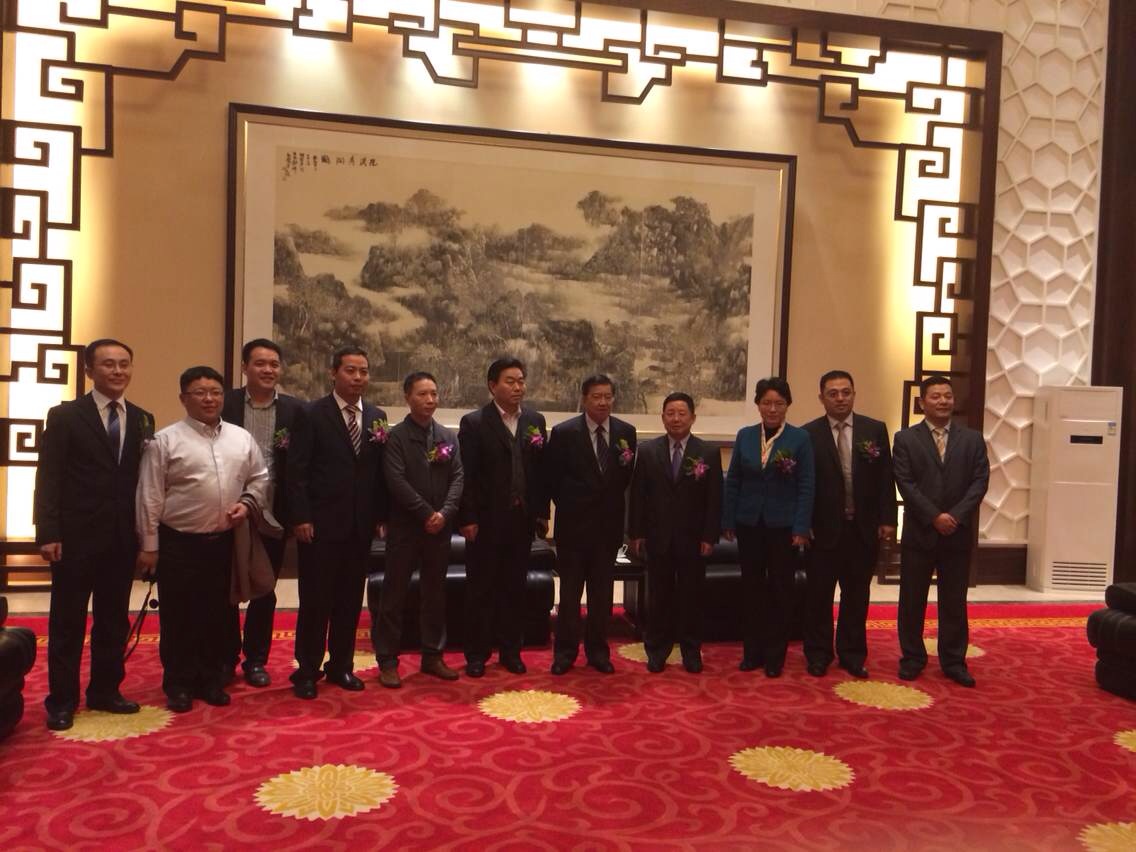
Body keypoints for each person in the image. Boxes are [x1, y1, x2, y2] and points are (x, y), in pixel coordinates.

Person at [33, 339, 154, 731]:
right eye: (108, 364)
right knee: (67, 622)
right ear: (89, 370)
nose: (118, 371)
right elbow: (49, 476)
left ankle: (105, 690)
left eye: (124, 364)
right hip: (75, 538)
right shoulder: (66, 416)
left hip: (121, 539)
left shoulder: (143, 418)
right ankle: (62, 701)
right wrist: (47, 531)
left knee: (113, 620)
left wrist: (146, 535)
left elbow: (144, 481)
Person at [136, 366, 268, 713]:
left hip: (223, 542)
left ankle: (212, 679)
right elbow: (149, 495)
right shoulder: (165, 441)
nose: (209, 399)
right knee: (179, 616)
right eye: (200, 392)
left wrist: (246, 504)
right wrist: (149, 546)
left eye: (216, 392)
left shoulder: (240, 438)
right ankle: (179, 684)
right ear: (184, 398)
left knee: (218, 615)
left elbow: (260, 477)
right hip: (179, 543)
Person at [286, 346, 388, 700]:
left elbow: (378, 473)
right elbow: (296, 471)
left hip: (360, 527)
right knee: (316, 601)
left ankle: (341, 665)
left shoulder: (376, 416)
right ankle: (307, 670)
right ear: (333, 373)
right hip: (320, 525)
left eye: (363, 371)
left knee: (349, 600)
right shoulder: (311, 413)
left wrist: (380, 516)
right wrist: (300, 516)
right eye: (350, 370)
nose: (358, 377)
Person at [893, 375, 990, 687]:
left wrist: (955, 516)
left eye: (947, 395)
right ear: (922, 402)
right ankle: (912, 658)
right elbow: (905, 482)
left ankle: (954, 661)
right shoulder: (905, 439)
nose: (943, 401)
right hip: (920, 532)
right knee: (912, 600)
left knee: (954, 601)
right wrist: (934, 516)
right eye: (935, 396)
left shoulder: (972, 439)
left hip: (956, 533)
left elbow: (980, 482)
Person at [457, 358, 549, 677]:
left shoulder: (534, 421)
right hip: (484, 521)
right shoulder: (474, 423)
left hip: (521, 519)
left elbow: (540, 471)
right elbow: (466, 476)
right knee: (481, 589)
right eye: (510, 381)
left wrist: (541, 512)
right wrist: (467, 518)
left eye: (521, 381)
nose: (518, 387)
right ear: (492, 385)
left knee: (514, 588)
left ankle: (511, 651)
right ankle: (477, 654)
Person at [801, 370, 897, 678]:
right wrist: (803, 524)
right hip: (822, 530)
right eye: (833, 393)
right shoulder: (808, 434)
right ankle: (818, 654)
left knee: (856, 595)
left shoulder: (874, 429)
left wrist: (888, 518)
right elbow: (804, 485)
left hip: (863, 528)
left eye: (846, 392)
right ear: (821, 398)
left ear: (854, 394)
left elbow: (886, 477)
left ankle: (852, 654)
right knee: (818, 596)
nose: (840, 398)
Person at [221, 338, 302, 688]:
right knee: (225, 586)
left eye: (274, 364)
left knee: (264, 588)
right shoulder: (225, 403)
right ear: (244, 368)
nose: (268, 370)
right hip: (228, 508)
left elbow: (301, 465)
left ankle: (256, 659)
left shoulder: (295, 411)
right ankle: (225, 657)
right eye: (260, 363)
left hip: (273, 512)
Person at [374, 371, 464, 687]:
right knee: (394, 596)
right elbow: (395, 480)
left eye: (434, 394)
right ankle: (388, 660)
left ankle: (433, 655)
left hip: (439, 530)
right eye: (422, 394)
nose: (429, 400)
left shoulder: (447, 436)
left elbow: (458, 477)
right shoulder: (395, 437)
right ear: (407, 398)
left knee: (435, 595)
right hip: (405, 529)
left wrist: (445, 513)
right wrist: (427, 513)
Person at [723, 376, 814, 677]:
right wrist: (728, 520)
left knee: (780, 591)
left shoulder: (800, 439)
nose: (772, 409)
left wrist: (801, 527)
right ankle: (752, 653)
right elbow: (734, 480)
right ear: (758, 405)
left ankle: (775, 657)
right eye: (766, 403)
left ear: (787, 405)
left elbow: (806, 485)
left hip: (783, 528)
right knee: (751, 590)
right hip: (749, 524)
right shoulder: (746, 435)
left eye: (779, 403)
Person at [546, 374, 637, 675]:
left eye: (608, 396)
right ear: (584, 399)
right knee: (570, 595)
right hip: (573, 528)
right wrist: (576, 505)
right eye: (596, 396)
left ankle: (598, 651)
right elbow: (553, 480)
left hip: (608, 529)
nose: (603, 402)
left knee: (602, 595)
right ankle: (565, 653)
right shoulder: (564, 433)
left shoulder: (626, 432)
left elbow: (624, 478)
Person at [629, 392, 723, 674]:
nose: (676, 418)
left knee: (691, 597)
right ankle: (657, 650)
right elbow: (638, 495)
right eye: (670, 413)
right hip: (658, 537)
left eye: (682, 413)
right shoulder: (648, 451)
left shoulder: (707, 452)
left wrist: (709, 536)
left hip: (693, 539)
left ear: (693, 418)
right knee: (659, 597)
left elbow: (714, 498)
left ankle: (691, 651)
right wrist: (636, 533)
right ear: (662, 417)